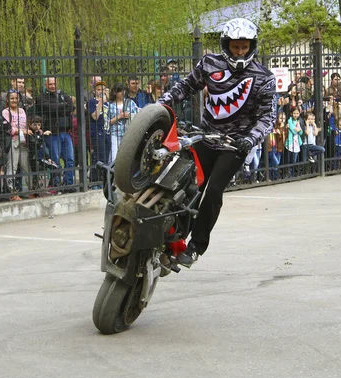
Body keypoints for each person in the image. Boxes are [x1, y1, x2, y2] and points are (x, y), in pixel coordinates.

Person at [157, 18, 276, 267]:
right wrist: (163, 103)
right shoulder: (209, 63)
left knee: (212, 192)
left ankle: (196, 246)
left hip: (235, 146)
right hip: (206, 137)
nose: (240, 52)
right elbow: (188, 86)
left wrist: (250, 139)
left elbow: (268, 116)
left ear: (252, 46)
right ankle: (171, 240)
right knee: (187, 189)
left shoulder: (264, 77)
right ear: (226, 45)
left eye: (244, 47)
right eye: (235, 47)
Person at [2, 89, 32, 201]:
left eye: (16, 98)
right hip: (13, 141)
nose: (14, 100)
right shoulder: (5, 112)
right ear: (8, 100)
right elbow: (8, 129)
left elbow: (25, 125)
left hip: (24, 141)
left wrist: (28, 130)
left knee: (27, 167)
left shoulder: (22, 111)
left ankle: (33, 191)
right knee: (12, 167)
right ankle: (12, 192)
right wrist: (22, 131)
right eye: (12, 98)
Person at [107, 83, 138, 163]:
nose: (123, 93)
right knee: (114, 157)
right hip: (115, 134)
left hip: (127, 134)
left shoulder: (130, 103)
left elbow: (138, 114)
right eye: (120, 91)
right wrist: (119, 117)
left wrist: (130, 116)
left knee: (127, 157)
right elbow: (108, 122)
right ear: (115, 93)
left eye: (124, 91)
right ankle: (112, 173)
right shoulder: (110, 106)